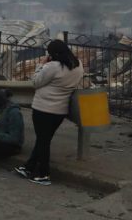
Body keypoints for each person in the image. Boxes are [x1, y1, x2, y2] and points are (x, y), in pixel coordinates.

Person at [15, 39, 83, 186]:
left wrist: (41, 65)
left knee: (43, 141)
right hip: (60, 111)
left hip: (43, 109)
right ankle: (28, 167)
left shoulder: (52, 66)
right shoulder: (78, 66)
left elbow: (36, 82)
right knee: (43, 140)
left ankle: (44, 174)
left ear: (52, 54)